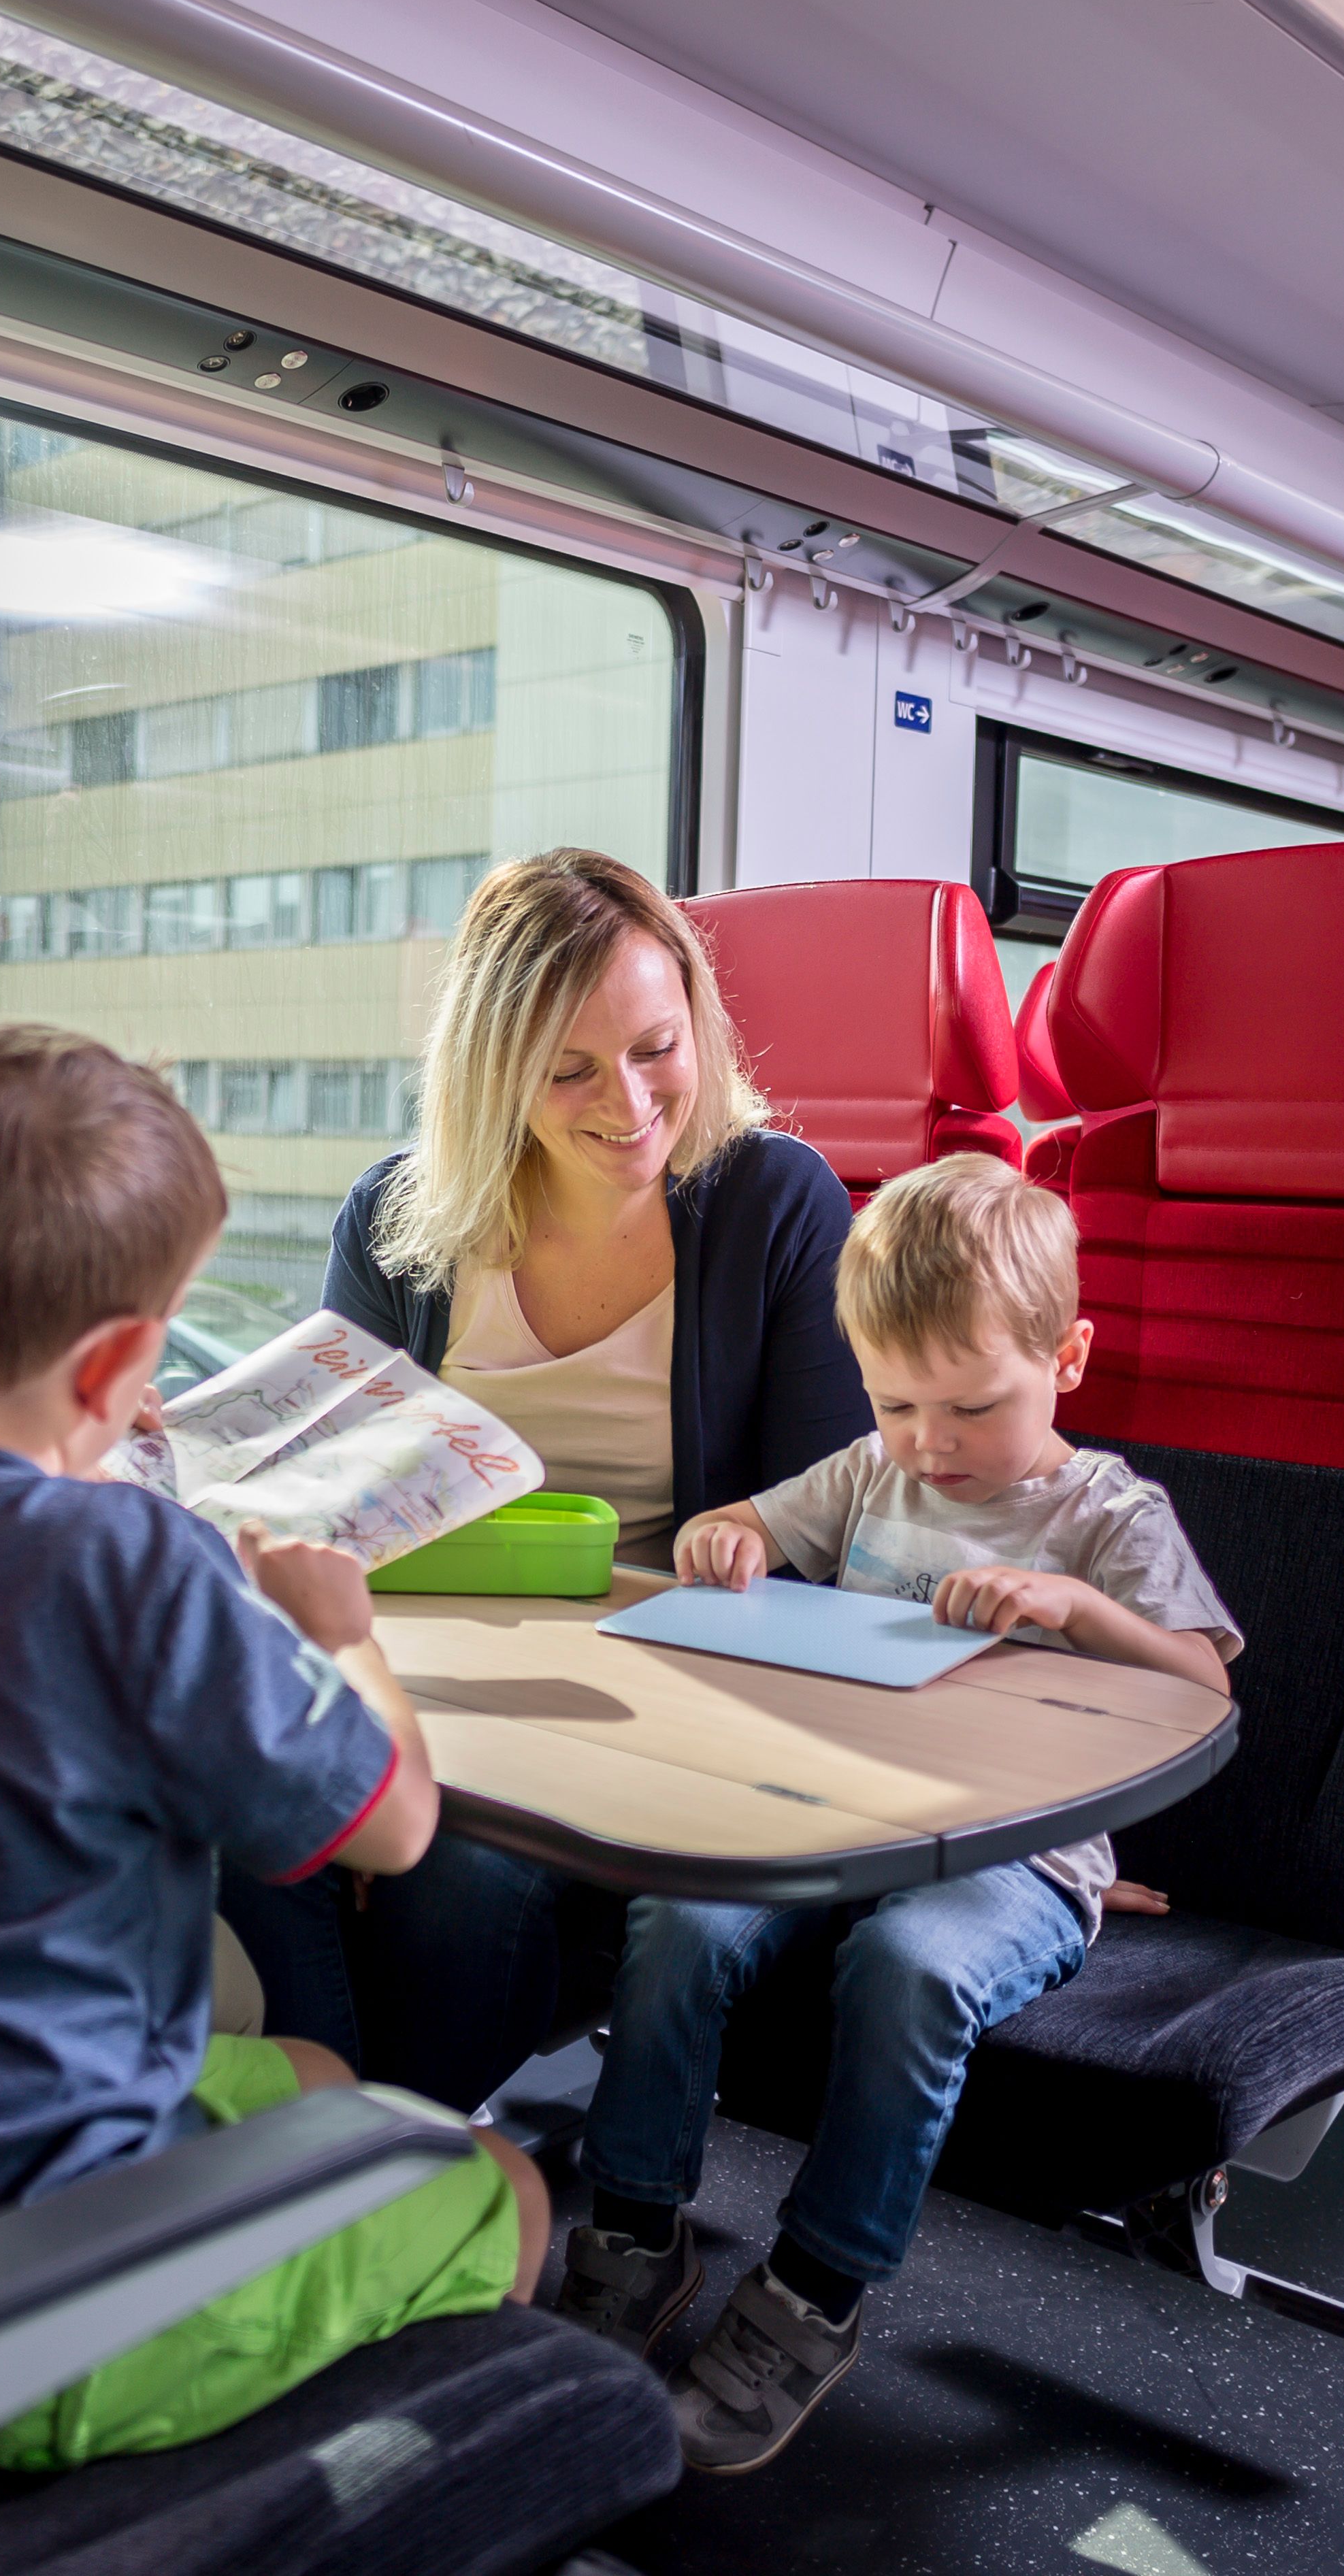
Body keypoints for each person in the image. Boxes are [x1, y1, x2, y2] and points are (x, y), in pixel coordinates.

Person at [0, 1022, 548, 2470]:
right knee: (505, 2184)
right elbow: (397, 1826)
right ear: (110, 1369)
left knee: (316, 2074)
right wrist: (339, 1633)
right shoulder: (139, 1561)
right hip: (37, 2319)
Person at [557, 1151, 1241, 2473]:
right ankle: (637, 2228)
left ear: (1068, 1359)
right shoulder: (876, 1472)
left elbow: (1204, 1688)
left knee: (912, 1968)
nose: (931, 1441)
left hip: (1016, 1856)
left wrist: (1077, 1609)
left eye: (972, 1406)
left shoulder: (1110, 1516)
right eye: (896, 1400)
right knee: (680, 1914)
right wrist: (727, 1538)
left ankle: (813, 2291)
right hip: (847, 1819)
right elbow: (748, 1526)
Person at [223, 849, 871, 2111]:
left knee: (462, 1879)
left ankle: (356, 2155)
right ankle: (334, 2147)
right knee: (244, 1819)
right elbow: (325, 1493)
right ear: (492, 1072)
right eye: (569, 1070)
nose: (629, 1101)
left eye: (657, 1048)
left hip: (654, 1702)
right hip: (419, 1677)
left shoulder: (773, 1204)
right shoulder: (398, 1222)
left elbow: (821, 1532)